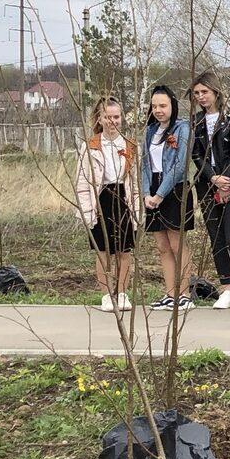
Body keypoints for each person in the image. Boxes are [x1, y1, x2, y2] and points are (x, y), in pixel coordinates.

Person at [189, 72, 230, 310]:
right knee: (217, 238)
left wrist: (225, 180)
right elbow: (195, 154)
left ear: (216, 91)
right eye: (196, 93)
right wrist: (212, 177)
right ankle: (226, 287)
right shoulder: (196, 121)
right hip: (208, 182)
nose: (201, 97)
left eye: (204, 92)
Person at [75, 95, 140, 312]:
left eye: (117, 117)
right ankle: (106, 295)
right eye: (108, 117)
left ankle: (122, 293)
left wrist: (137, 210)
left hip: (123, 197)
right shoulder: (90, 145)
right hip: (100, 198)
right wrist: (86, 211)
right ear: (100, 119)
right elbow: (82, 182)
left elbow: (137, 183)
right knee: (102, 250)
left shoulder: (130, 146)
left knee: (124, 250)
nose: (113, 121)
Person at [141, 84, 195, 311]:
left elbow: (180, 165)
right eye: (154, 106)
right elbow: (144, 164)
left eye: (162, 105)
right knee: (162, 246)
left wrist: (161, 194)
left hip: (174, 189)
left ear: (172, 105)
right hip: (152, 189)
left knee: (176, 244)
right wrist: (146, 193)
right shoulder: (151, 130)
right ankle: (170, 293)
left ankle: (184, 294)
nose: (158, 110)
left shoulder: (182, 128)